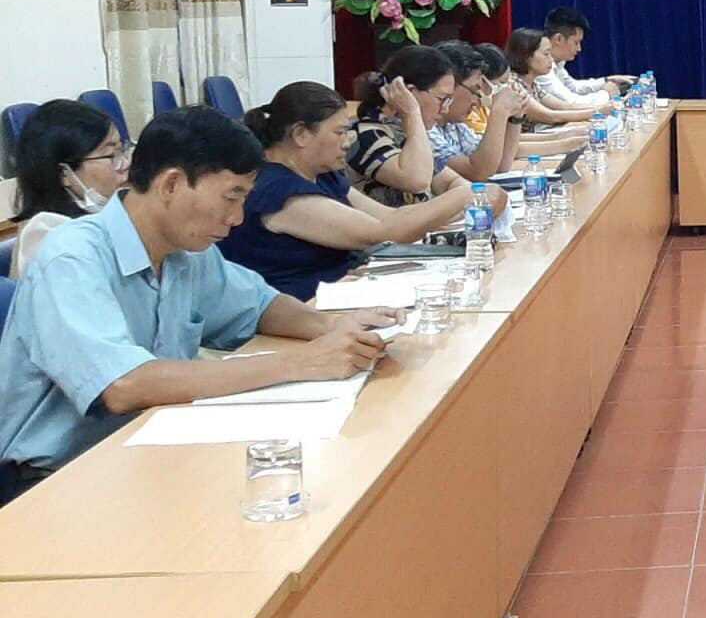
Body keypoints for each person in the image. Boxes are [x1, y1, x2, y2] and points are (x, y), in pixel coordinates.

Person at [0, 107, 397, 501]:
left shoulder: (185, 250)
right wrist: (302, 362)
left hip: (148, 445)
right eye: (231, 197)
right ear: (171, 184)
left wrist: (333, 327)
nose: (237, 218)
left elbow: (260, 305)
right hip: (55, 480)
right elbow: (123, 386)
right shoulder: (72, 257)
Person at [224, 83, 491, 300]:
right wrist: (468, 194)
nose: (346, 143)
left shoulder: (322, 174)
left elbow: (388, 216)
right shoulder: (278, 191)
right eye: (339, 133)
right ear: (301, 134)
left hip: (344, 293)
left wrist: (460, 205)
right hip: (304, 311)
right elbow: (386, 231)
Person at [9, 100, 128, 273]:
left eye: (122, 150)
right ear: (64, 174)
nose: (125, 164)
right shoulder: (46, 234)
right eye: (111, 155)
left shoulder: (113, 213)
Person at [346, 45, 466, 207]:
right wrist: (411, 112)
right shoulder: (364, 135)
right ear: (409, 93)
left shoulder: (406, 132)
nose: (445, 109)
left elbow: (451, 182)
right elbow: (417, 180)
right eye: (442, 99)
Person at [428, 42, 524, 181]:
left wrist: (516, 118)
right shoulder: (425, 127)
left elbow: (499, 165)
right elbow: (478, 173)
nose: (477, 100)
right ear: (449, 85)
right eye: (474, 90)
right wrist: (499, 112)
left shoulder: (454, 125)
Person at [507, 27, 606, 125]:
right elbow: (551, 117)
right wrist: (599, 112)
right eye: (546, 54)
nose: (551, 59)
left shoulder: (534, 85)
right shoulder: (514, 86)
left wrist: (601, 108)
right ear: (526, 56)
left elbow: (565, 107)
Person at [538, 6, 631, 107]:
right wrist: (606, 94)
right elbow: (570, 103)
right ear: (559, 39)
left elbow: (573, 87)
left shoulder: (557, 63)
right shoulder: (539, 66)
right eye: (576, 42)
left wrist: (607, 80)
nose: (579, 49)